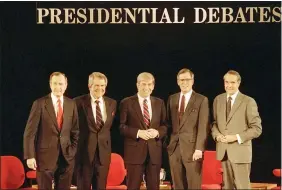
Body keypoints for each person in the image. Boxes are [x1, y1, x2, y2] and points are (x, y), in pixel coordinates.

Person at [23, 71, 79, 190]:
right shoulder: (39, 104)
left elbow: (75, 131)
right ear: (50, 84)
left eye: (61, 84)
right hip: (44, 158)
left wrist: (72, 150)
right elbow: (30, 132)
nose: (58, 87)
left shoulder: (71, 104)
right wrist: (30, 156)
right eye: (55, 83)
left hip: (66, 158)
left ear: (66, 85)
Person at [211, 70, 262, 189]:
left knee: (242, 187)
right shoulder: (218, 99)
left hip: (241, 154)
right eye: (226, 82)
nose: (229, 85)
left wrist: (235, 137)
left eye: (232, 82)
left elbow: (256, 129)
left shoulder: (248, 101)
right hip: (223, 152)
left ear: (239, 83)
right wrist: (217, 135)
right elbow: (214, 123)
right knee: (227, 187)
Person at [119, 72, 167, 190]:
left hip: (154, 153)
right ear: (137, 85)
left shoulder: (159, 103)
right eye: (143, 84)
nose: (146, 87)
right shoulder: (127, 102)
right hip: (134, 153)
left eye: (149, 84)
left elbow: (165, 125)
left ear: (153, 86)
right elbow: (121, 127)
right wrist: (138, 133)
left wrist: (157, 133)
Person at [166, 68, 210, 189]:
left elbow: (203, 126)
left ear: (192, 81)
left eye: (187, 80)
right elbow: (168, 124)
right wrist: (168, 144)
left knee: (193, 185)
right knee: (178, 185)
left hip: (192, 150)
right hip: (174, 149)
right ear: (177, 81)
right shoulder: (172, 99)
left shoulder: (201, 100)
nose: (184, 82)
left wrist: (199, 149)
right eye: (181, 80)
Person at [74, 72, 117, 190]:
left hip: (103, 155)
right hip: (84, 154)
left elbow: (107, 128)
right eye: (96, 85)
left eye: (102, 85)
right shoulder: (78, 102)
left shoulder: (112, 103)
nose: (100, 88)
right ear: (89, 86)